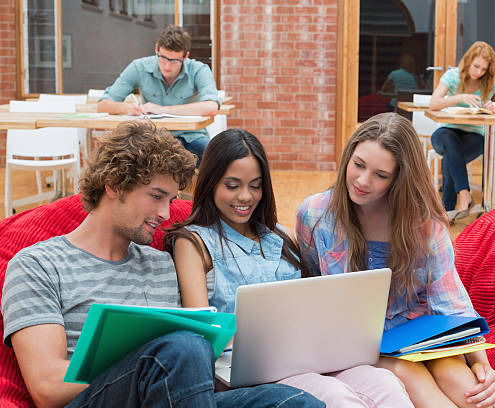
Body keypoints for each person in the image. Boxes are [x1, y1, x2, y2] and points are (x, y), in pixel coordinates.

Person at [1, 120, 323, 408]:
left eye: (171, 200)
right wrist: (151, 359)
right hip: (100, 399)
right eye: (156, 196)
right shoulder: (36, 266)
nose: (167, 215)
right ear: (113, 184)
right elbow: (48, 388)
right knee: (182, 348)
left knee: (295, 402)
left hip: (176, 396)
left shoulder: (163, 264)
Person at [165, 129, 414, 408]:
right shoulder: (194, 243)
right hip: (249, 372)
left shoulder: (279, 236)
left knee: (385, 384)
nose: (245, 196)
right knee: (334, 395)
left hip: (309, 355)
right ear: (210, 183)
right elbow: (204, 335)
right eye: (232, 185)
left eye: (255, 185)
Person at [296, 112, 495, 408]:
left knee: (469, 388)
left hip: (418, 339)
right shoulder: (316, 214)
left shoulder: (424, 227)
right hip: (357, 346)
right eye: (358, 165)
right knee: (412, 378)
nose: (362, 180)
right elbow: (308, 285)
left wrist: (482, 367)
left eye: (380, 175)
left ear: (399, 179)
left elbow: (452, 303)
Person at [98, 25, 220, 164]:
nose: (167, 66)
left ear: (185, 56)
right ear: (157, 49)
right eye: (163, 58)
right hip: (152, 138)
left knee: (211, 157)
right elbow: (103, 105)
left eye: (174, 61)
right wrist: (126, 108)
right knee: (114, 158)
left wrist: (161, 110)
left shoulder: (199, 70)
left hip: (190, 137)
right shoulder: (139, 67)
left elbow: (211, 107)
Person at [429, 41, 495, 218]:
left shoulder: (491, 80)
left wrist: (494, 109)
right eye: (476, 66)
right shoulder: (452, 76)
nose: (479, 72)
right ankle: (464, 194)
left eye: (483, 69)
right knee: (449, 141)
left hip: (474, 135)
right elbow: (433, 104)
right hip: (446, 131)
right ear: (468, 61)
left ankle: (447, 211)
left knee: (451, 155)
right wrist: (459, 97)